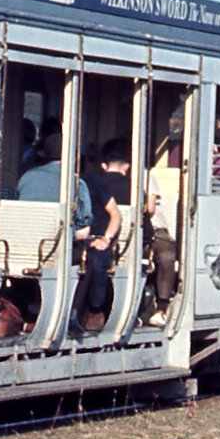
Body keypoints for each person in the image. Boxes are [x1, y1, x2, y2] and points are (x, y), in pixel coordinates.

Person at [74, 141, 128, 332]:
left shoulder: (94, 183)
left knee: (95, 261)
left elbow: (115, 214)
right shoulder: (56, 183)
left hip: (96, 239)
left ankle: (96, 310)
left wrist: (106, 239)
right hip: (73, 241)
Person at [142, 164, 178, 327]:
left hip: (155, 228)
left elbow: (150, 208)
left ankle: (161, 309)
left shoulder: (145, 176)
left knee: (166, 255)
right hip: (131, 228)